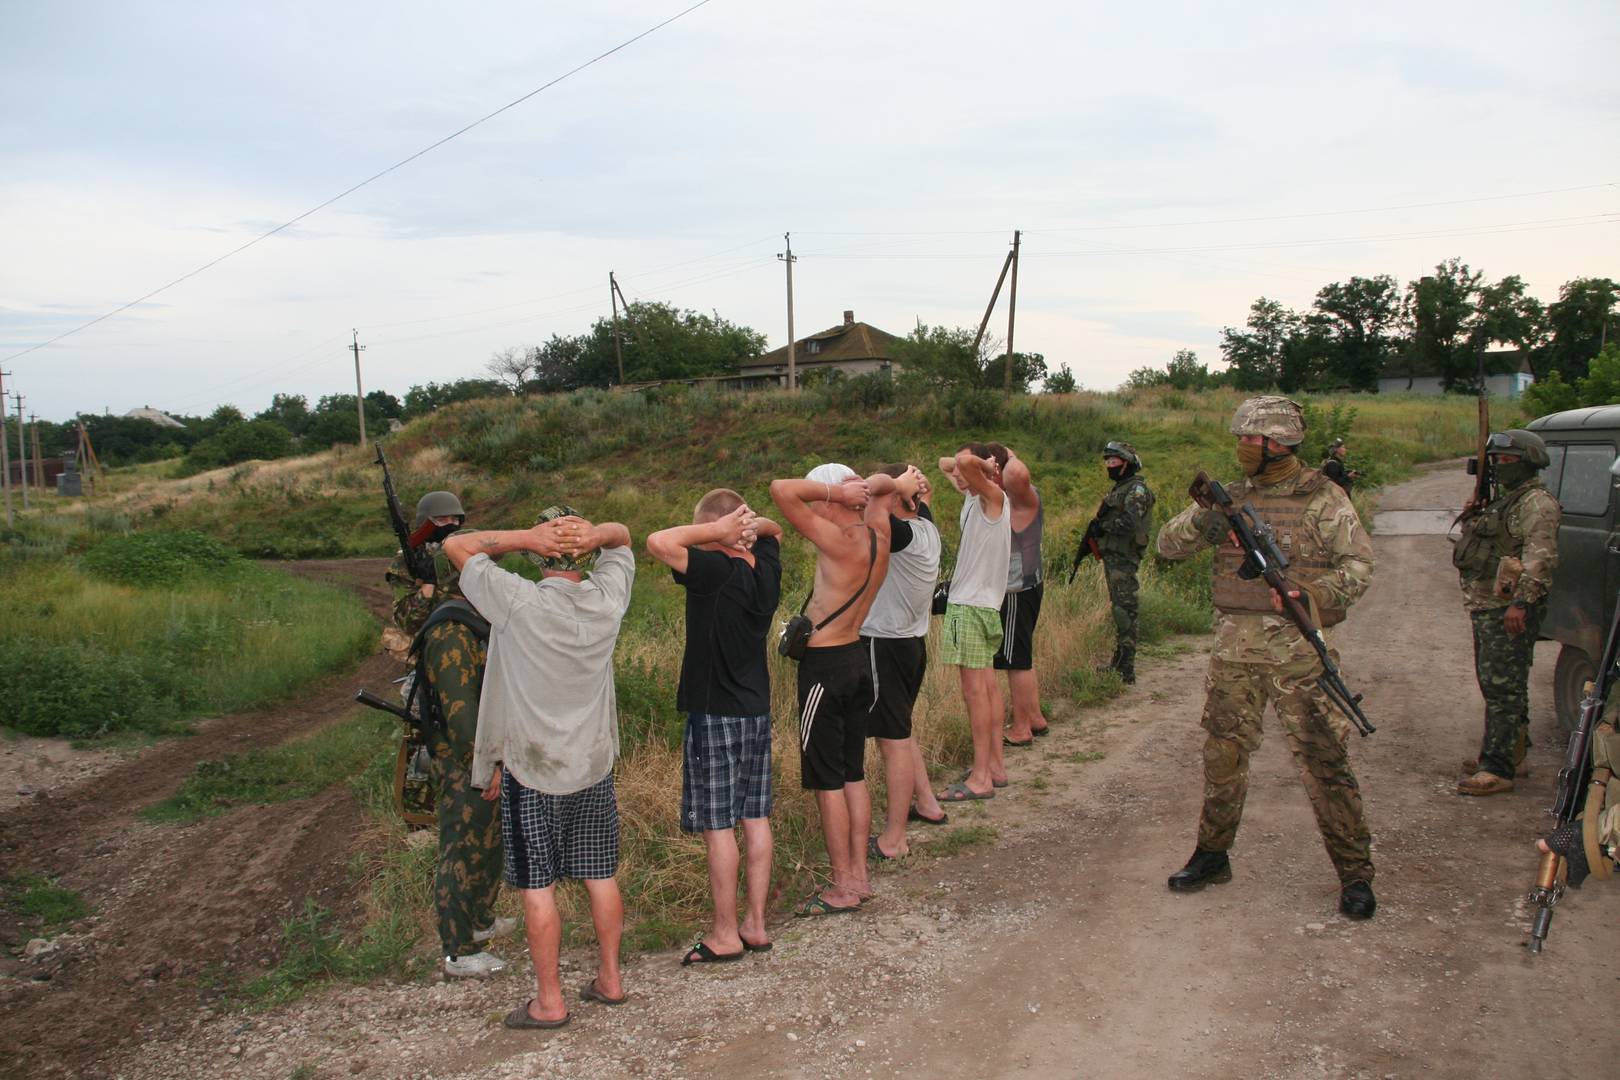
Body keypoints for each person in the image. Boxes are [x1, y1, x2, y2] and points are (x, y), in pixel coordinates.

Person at [1156, 396, 1379, 920]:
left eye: (1247, 439)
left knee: (1325, 763)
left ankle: (1355, 873)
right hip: (1235, 652)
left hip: (1299, 655)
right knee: (1223, 758)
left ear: (1275, 443)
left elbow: (1360, 565)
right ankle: (1212, 855)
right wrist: (1204, 526)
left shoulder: (1323, 498)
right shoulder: (1230, 497)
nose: (1240, 448)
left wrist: (1313, 596)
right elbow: (1167, 544)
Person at [443, 505, 636, 1030]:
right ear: (590, 552)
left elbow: (457, 547)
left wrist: (525, 535)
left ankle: (550, 1002)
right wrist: (599, 531)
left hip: (534, 774)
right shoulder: (607, 599)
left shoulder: (515, 601)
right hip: (593, 766)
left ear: (538, 555)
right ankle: (611, 980)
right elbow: (623, 541)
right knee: (601, 876)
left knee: (537, 887)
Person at [646, 492, 784, 964]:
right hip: (756, 710)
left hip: (715, 714)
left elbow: (658, 541)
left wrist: (718, 531)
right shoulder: (764, 570)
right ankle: (756, 924)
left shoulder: (710, 571)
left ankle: (726, 933)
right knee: (756, 818)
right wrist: (749, 528)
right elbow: (775, 531)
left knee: (719, 826)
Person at [770, 464, 908, 914]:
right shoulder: (878, 533)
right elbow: (888, 485)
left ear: (831, 499)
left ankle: (843, 887)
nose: (812, 507)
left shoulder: (837, 539)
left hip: (825, 669)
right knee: (853, 774)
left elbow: (781, 489)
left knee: (827, 781)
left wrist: (837, 492)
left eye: (819, 500)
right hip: (857, 659)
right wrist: (862, 491)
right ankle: (859, 879)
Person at [384, 490, 512, 978]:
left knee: (488, 837)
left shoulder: (466, 615)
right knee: (462, 842)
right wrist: (486, 761)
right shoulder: (452, 629)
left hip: (479, 751)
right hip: (464, 754)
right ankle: (458, 948)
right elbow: (461, 712)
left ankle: (477, 920)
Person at [1453, 429, 1561, 796]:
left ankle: (1497, 768)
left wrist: (1520, 603)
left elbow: (1539, 560)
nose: (1499, 466)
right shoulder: (1507, 500)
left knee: (1502, 687)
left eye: (1506, 460)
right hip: (1489, 605)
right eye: (1495, 460)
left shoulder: (1536, 503)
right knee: (1502, 683)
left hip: (1507, 608)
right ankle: (1511, 752)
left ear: (1527, 461)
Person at [861, 464, 950, 860]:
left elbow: (872, 500)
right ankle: (927, 801)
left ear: (898, 499)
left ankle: (893, 839)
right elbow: (918, 502)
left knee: (891, 741)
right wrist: (914, 490)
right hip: (913, 643)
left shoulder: (900, 534)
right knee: (902, 729)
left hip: (886, 643)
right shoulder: (927, 527)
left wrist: (896, 485)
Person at [936, 443, 1012, 801]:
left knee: (975, 693)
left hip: (969, 606)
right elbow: (946, 463)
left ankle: (981, 777)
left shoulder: (992, 496)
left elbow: (963, 462)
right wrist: (972, 467)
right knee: (988, 688)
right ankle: (994, 766)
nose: (958, 476)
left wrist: (981, 466)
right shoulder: (975, 496)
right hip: (984, 605)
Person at [992, 445, 1051, 744]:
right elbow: (949, 465)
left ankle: (1021, 728)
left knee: (1016, 661)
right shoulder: (1013, 497)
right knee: (1023, 655)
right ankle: (1036, 717)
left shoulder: (1020, 497)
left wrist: (1008, 458)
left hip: (1016, 588)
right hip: (1028, 584)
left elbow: (1017, 472)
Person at [1090, 441, 1155, 685]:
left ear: (1127, 463)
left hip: (1124, 558)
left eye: (1114, 461)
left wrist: (1103, 526)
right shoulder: (1122, 488)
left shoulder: (1136, 490)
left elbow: (1129, 522)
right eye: (1107, 461)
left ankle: (1126, 668)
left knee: (1125, 611)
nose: (1109, 465)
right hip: (1114, 557)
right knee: (1120, 609)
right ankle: (1119, 662)